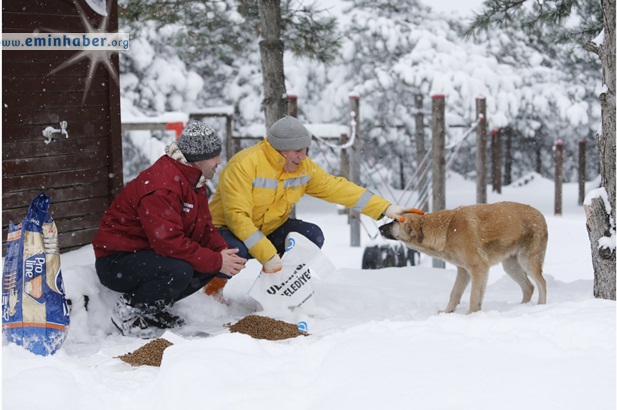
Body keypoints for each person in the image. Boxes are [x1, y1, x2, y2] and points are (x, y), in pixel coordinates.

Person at [205, 115, 409, 297]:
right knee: (235, 250)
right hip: (227, 230)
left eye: (305, 150)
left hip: (269, 229)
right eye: (298, 150)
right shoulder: (244, 165)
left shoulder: (303, 168)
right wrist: (268, 255)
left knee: (310, 236)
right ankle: (211, 291)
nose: (303, 156)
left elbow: (336, 188)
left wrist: (384, 208)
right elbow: (237, 218)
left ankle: (274, 291)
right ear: (280, 149)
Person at [92, 120, 247, 338]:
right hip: (117, 260)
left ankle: (154, 309)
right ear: (197, 158)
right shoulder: (162, 186)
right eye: (214, 156)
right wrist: (217, 260)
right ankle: (129, 310)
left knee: (219, 253)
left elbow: (204, 228)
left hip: (148, 254)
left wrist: (224, 253)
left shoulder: (195, 180)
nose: (219, 161)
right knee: (179, 270)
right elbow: (168, 242)